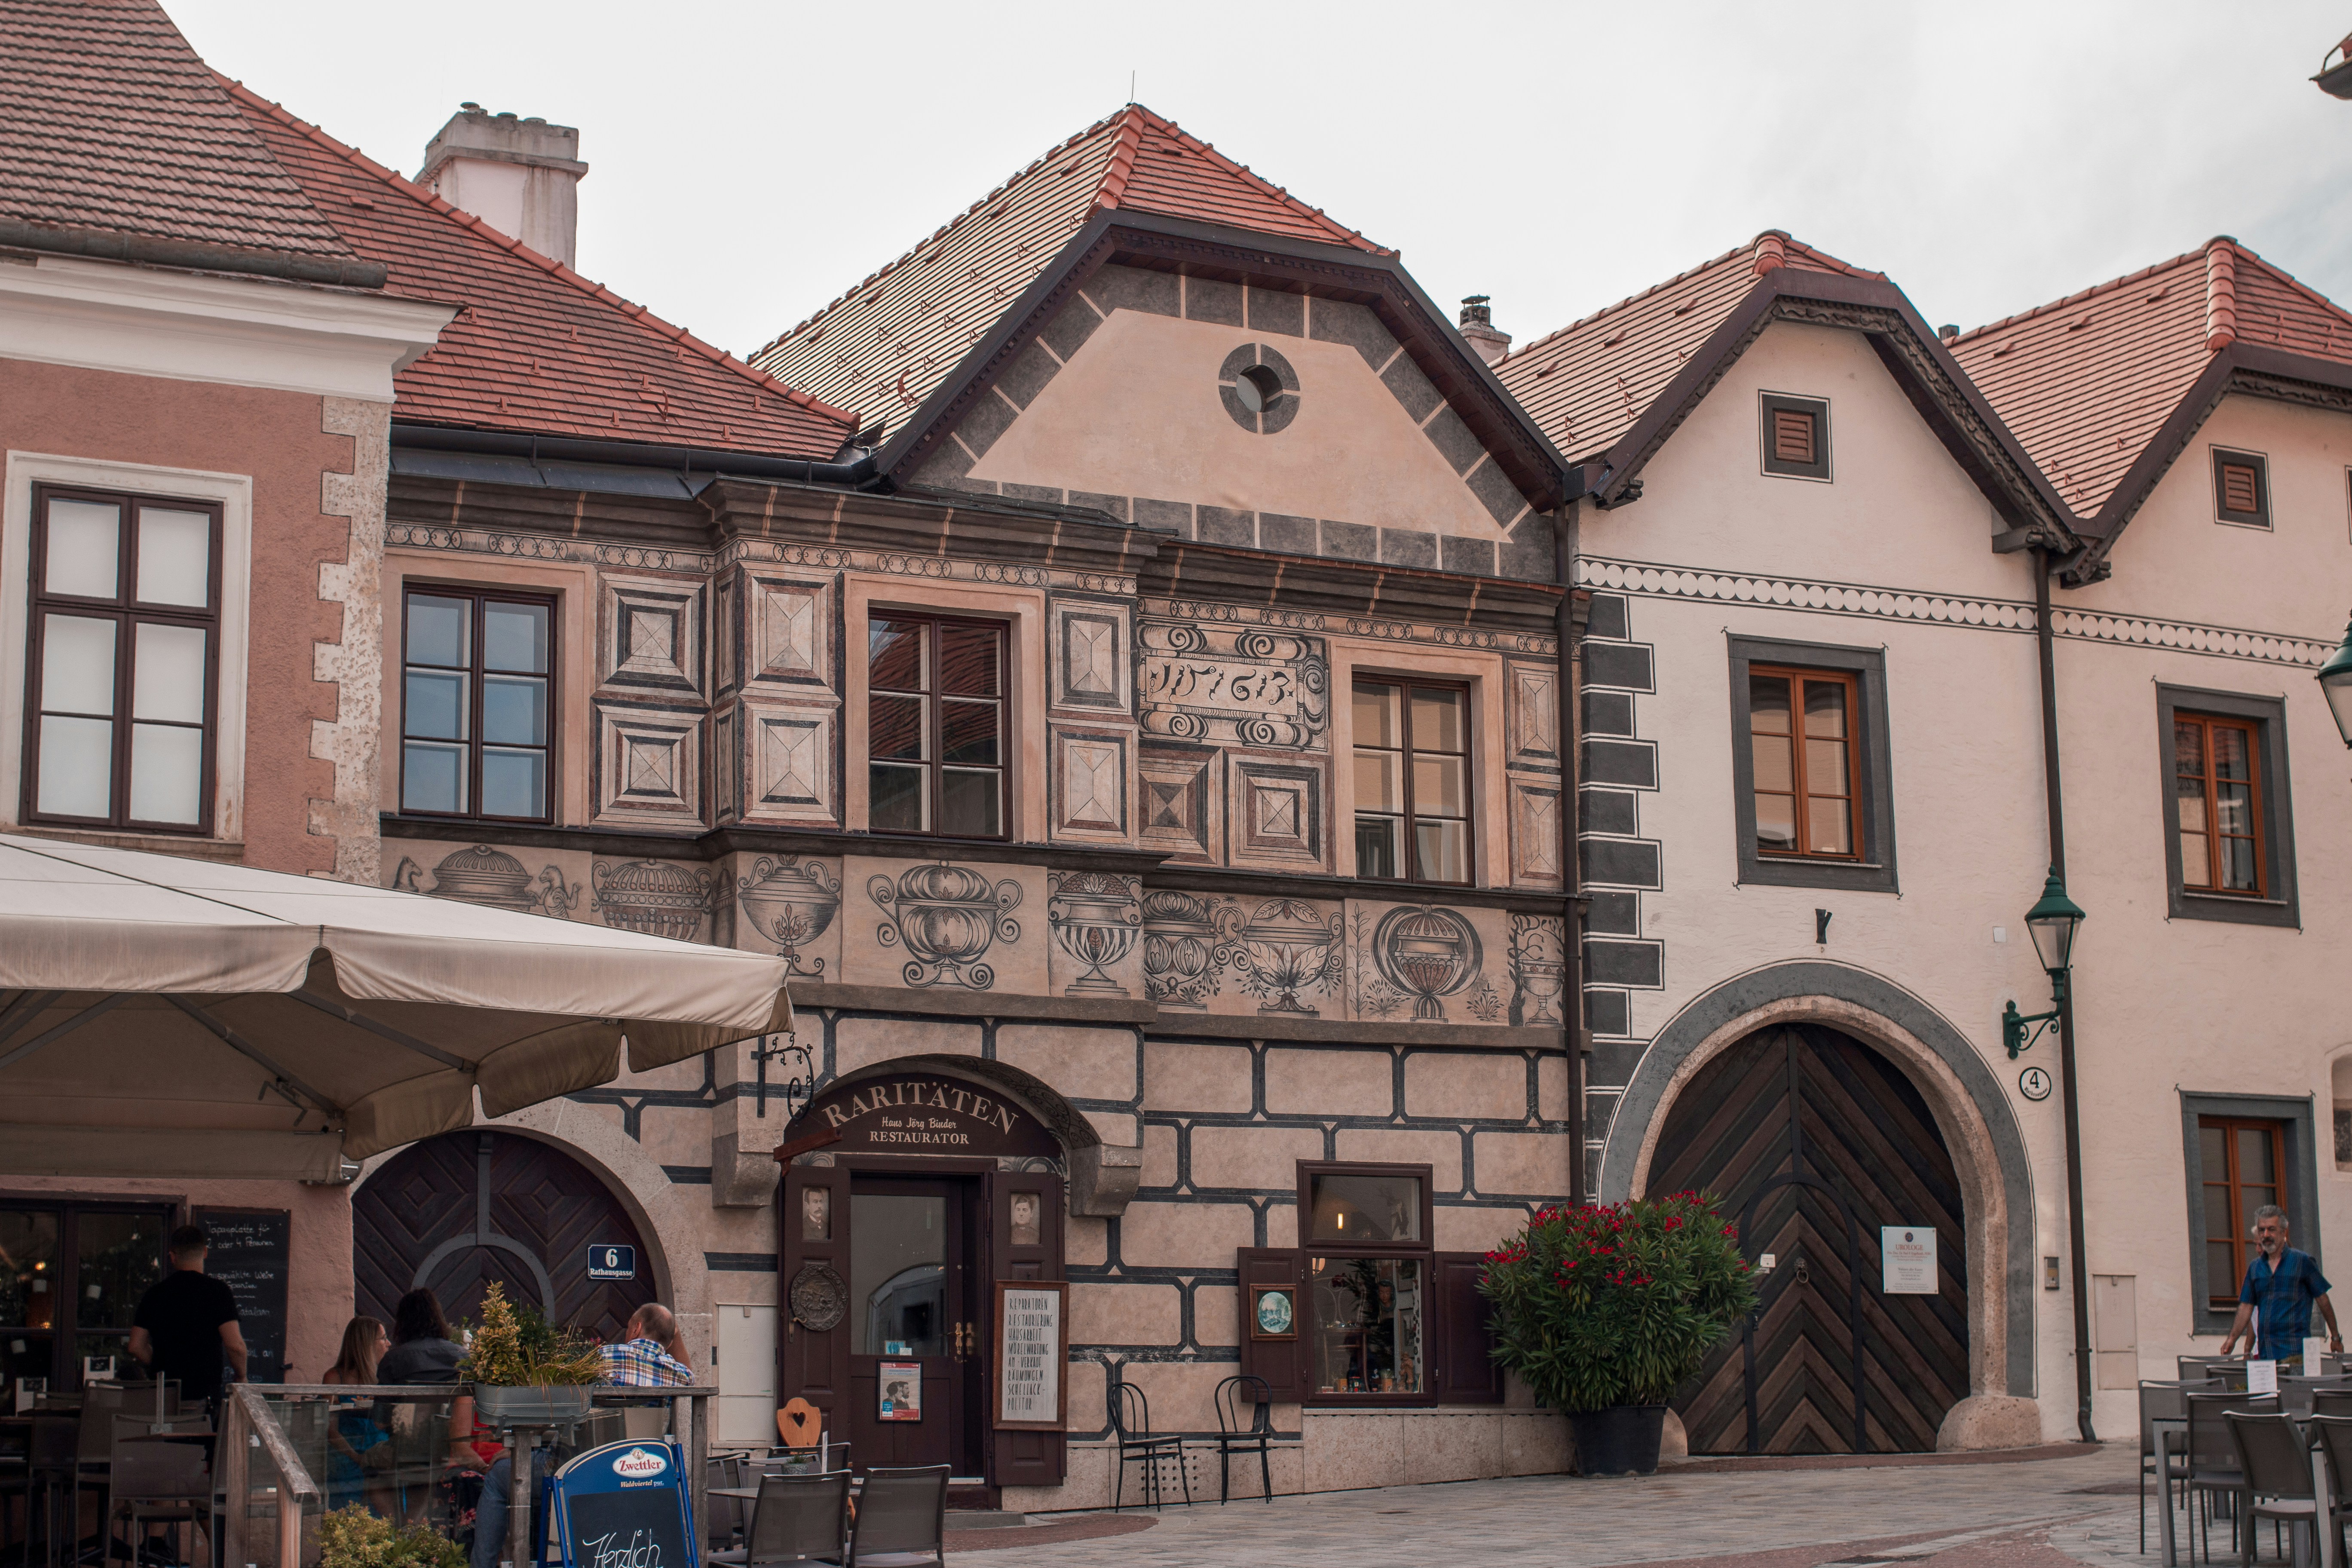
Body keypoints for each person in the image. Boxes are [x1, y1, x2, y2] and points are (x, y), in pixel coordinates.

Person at [469, 1304, 693, 1568]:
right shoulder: (678, 1375)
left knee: (498, 1477)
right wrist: (674, 1332)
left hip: (579, 1473)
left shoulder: (599, 1359)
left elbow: (555, 1409)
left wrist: (521, 1449)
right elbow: (690, 1372)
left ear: (637, 1328)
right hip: (638, 1478)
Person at [128, 1224, 247, 1416]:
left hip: (163, 1401)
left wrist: (162, 1363)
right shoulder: (218, 1292)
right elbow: (235, 1346)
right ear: (205, 1252)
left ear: (173, 1257)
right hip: (203, 1402)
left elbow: (135, 1346)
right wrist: (241, 1377)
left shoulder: (154, 1295)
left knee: (165, 1446)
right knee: (203, 1446)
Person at [2219, 1204, 2345, 1371]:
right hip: (2266, 1354)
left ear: (2284, 1231)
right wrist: (2232, 1339)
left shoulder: (2302, 1261)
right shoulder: (2255, 1268)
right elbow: (2246, 1307)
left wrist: (2335, 1337)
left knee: (2295, 1397)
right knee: (2269, 1397)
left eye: (2271, 1229)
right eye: (2262, 1230)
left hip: (2296, 1354)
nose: (2266, 1235)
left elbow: (2322, 1299)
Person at [322, 1317, 393, 1515]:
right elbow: (330, 1430)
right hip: (347, 1462)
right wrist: (357, 1458)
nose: (388, 1344)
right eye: (383, 1338)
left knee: (387, 1525)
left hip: (381, 1460)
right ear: (366, 1344)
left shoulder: (385, 1376)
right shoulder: (335, 1377)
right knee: (348, 1522)